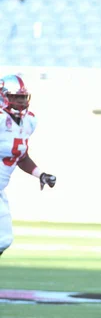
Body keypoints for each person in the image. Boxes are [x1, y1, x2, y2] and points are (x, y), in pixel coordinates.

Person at [0, 75, 56, 257]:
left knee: (4, 239)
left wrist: (40, 174)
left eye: (23, 97)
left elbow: (21, 157)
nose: (20, 101)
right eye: (16, 96)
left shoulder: (29, 121)